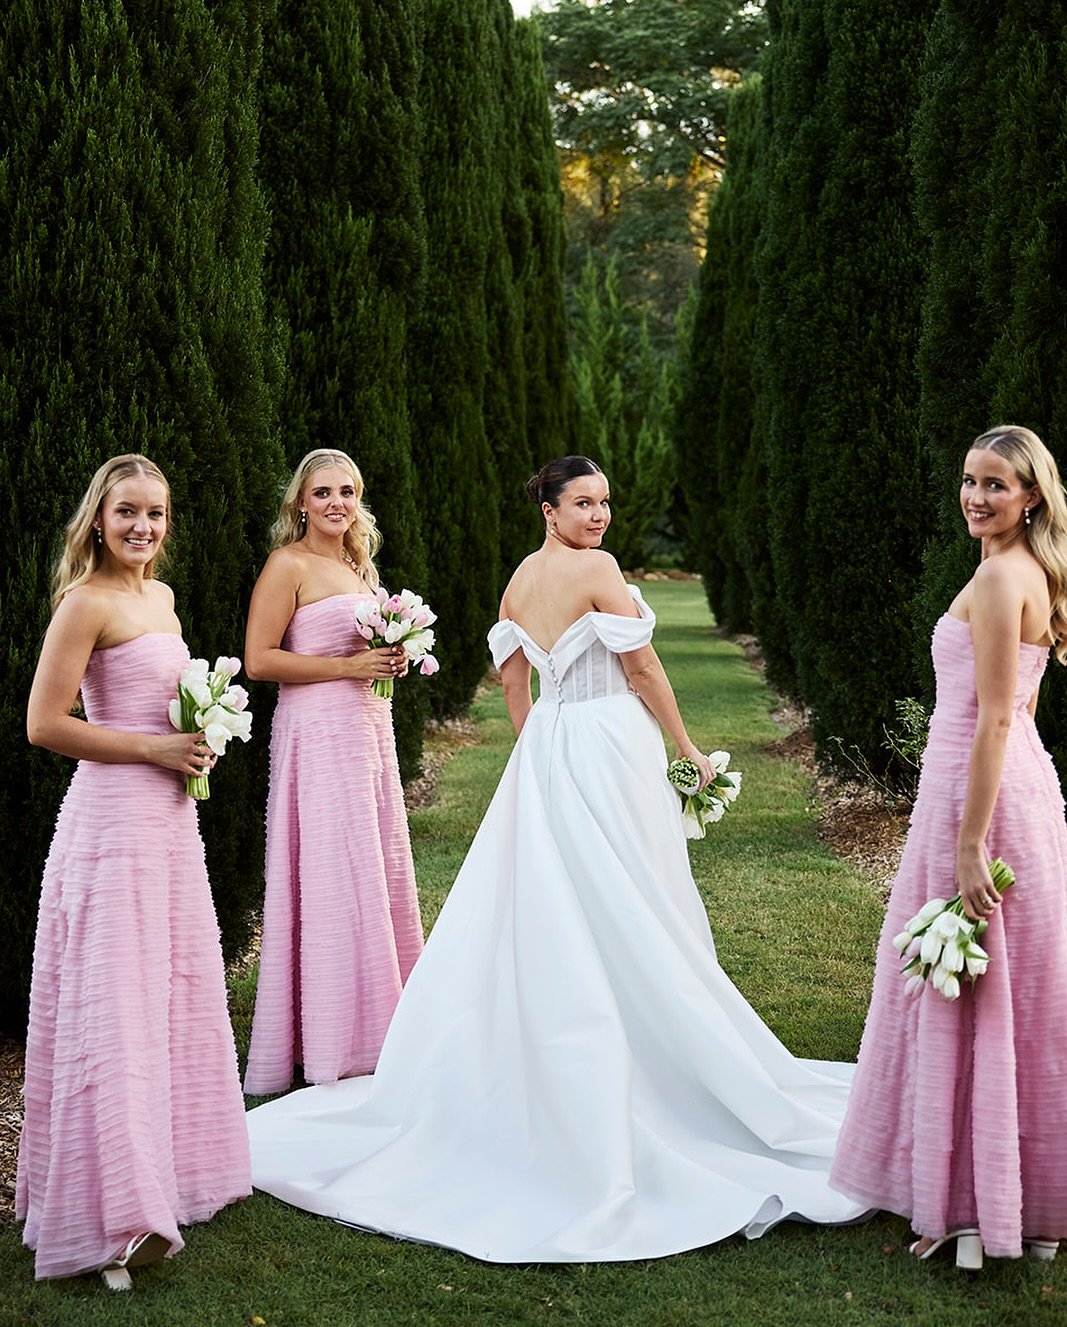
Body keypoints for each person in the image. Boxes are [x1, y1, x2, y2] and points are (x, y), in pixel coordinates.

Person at [245, 455, 866, 1263]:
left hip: (551, 749)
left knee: (556, 902)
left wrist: (538, 742)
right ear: (549, 507)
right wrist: (686, 750)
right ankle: (657, 1048)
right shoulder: (597, 570)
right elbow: (641, 668)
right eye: (583, 502)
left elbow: (514, 681)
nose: (599, 515)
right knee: (638, 900)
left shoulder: (516, 582)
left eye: (604, 502)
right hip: (609, 743)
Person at [830, 425, 1067, 1269]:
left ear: (1030, 495)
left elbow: (998, 715)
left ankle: (970, 1200)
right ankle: (978, 1189)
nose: (975, 496)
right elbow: (1020, 710)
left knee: (977, 989)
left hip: (984, 806)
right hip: (987, 788)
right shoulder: (1010, 567)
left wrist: (971, 843)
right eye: (968, 480)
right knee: (978, 990)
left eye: (995, 484)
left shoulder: (1005, 575)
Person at [16, 454, 251, 1288]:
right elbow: (45, 723)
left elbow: (166, 703)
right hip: (110, 826)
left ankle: (170, 1178)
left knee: (168, 993)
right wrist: (153, 745)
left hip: (168, 824)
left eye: (155, 513)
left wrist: (197, 737)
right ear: (99, 518)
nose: (142, 526)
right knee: (112, 1006)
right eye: (127, 512)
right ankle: (110, 1216)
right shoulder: (85, 602)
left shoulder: (162, 598)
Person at [242, 449, 423, 1095]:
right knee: (327, 869)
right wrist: (349, 668)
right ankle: (324, 1035)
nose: (335, 503)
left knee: (372, 865)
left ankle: (381, 1021)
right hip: (316, 733)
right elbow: (259, 660)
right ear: (300, 502)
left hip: (366, 731)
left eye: (346, 491)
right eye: (322, 492)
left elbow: (363, 651)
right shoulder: (287, 564)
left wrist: (389, 658)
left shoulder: (357, 566)